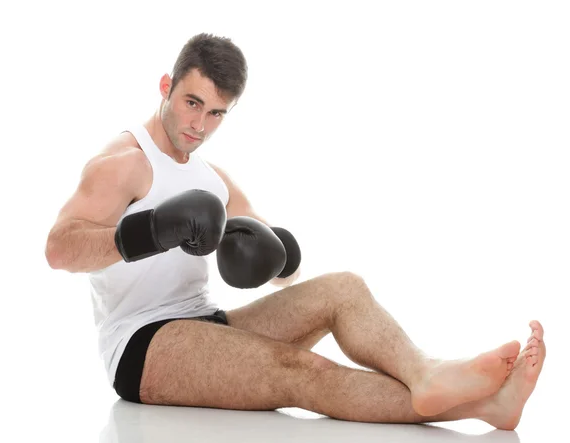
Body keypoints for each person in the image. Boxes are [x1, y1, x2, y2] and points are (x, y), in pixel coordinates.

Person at [44, 33, 545, 430]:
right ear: (165, 86)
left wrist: (279, 257)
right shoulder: (123, 164)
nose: (200, 124)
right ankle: (478, 408)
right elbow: (59, 250)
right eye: (192, 103)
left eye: (216, 112)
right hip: (142, 346)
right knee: (302, 373)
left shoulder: (212, 180)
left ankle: (427, 373)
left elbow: (282, 267)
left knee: (344, 288)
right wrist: (152, 230)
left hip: (206, 325)